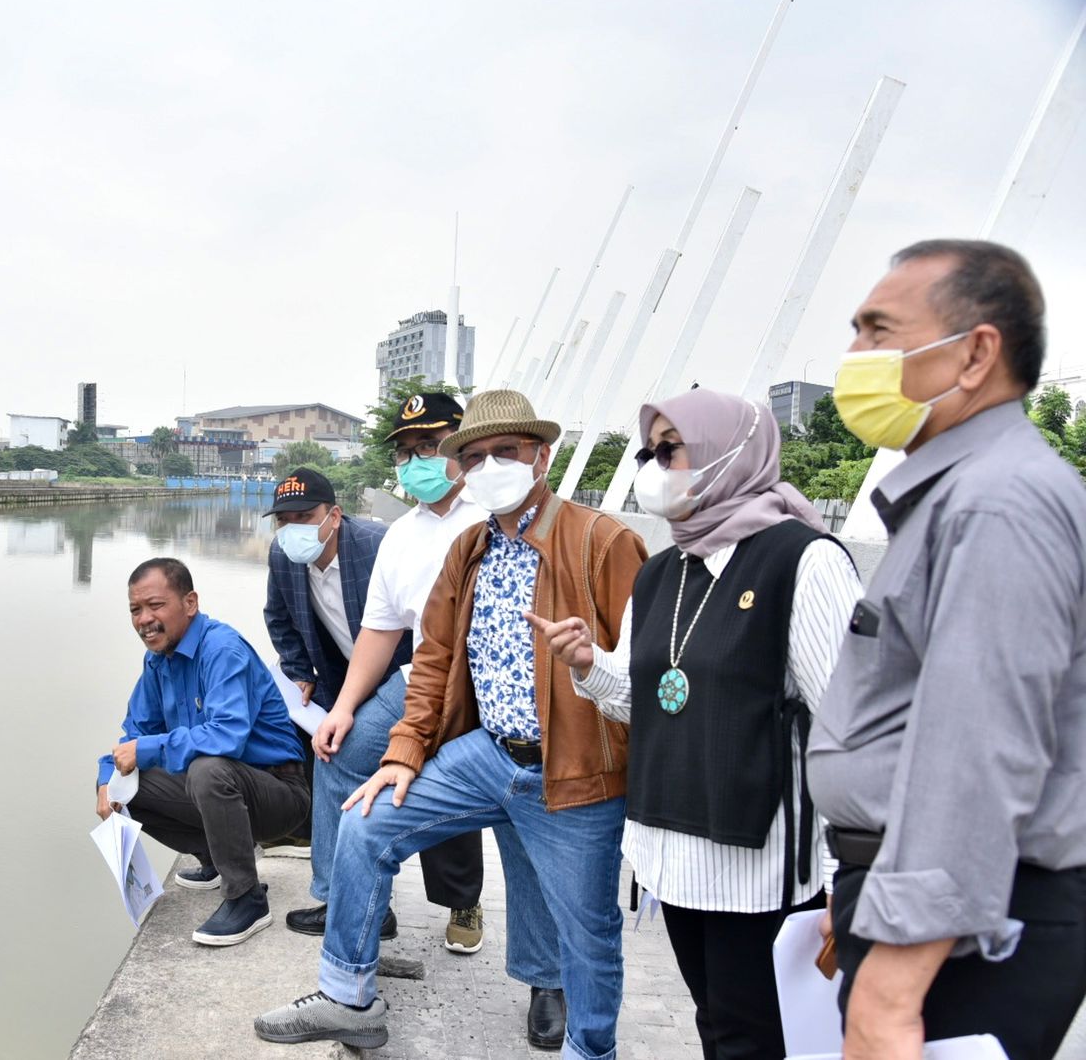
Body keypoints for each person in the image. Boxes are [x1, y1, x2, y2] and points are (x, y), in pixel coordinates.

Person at [255, 390, 647, 1056]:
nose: (489, 464)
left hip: (571, 769)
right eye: (476, 454)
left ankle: (588, 1041)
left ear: (541, 457)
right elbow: (431, 659)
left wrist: (588, 663)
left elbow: (642, 671)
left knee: (588, 930)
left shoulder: (602, 542)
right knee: (366, 820)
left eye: (506, 452)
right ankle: (348, 993)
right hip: (487, 752)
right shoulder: (468, 547)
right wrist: (405, 750)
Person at [808, 239, 1086, 1060]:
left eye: (877, 331)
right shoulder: (957, 492)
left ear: (975, 354)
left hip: (971, 931)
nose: (855, 357)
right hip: (932, 911)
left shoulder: (999, 503)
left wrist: (892, 986)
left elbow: (977, 751)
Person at [536, 388, 862, 1059]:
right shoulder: (661, 574)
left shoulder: (804, 561)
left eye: (670, 451)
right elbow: (641, 699)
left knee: (758, 1038)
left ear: (729, 454)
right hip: (676, 859)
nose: (653, 468)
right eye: (647, 453)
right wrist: (587, 663)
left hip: (766, 864)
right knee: (715, 1024)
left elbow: (852, 731)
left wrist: (851, 877)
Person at [282, 393, 490, 956]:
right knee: (339, 751)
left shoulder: (499, 515)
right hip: (422, 682)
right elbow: (379, 632)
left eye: (429, 445)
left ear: (463, 447)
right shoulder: (402, 535)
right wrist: (345, 708)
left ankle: (534, 963)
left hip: (498, 689)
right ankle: (345, 897)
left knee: (491, 800)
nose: (415, 461)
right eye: (404, 452)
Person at [97, 557, 310, 947]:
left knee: (207, 769)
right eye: (135, 609)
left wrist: (145, 749)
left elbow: (227, 736)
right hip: (225, 790)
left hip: (279, 792)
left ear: (190, 602)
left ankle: (246, 898)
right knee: (121, 789)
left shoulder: (221, 650)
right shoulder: (158, 659)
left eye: (156, 605)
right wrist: (104, 778)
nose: (145, 619)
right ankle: (213, 859)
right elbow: (135, 733)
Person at [262, 467, 407, 857]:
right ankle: (309, 840)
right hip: (340, 675)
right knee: (313, 743)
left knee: (431, 775)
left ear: (335, 515)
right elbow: (277, 616)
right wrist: (297, 670)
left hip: (408, 674)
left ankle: (460, 899)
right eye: (284, 520)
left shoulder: (381, 547)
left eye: (305, 518)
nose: (293, 529)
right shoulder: (283, 553)